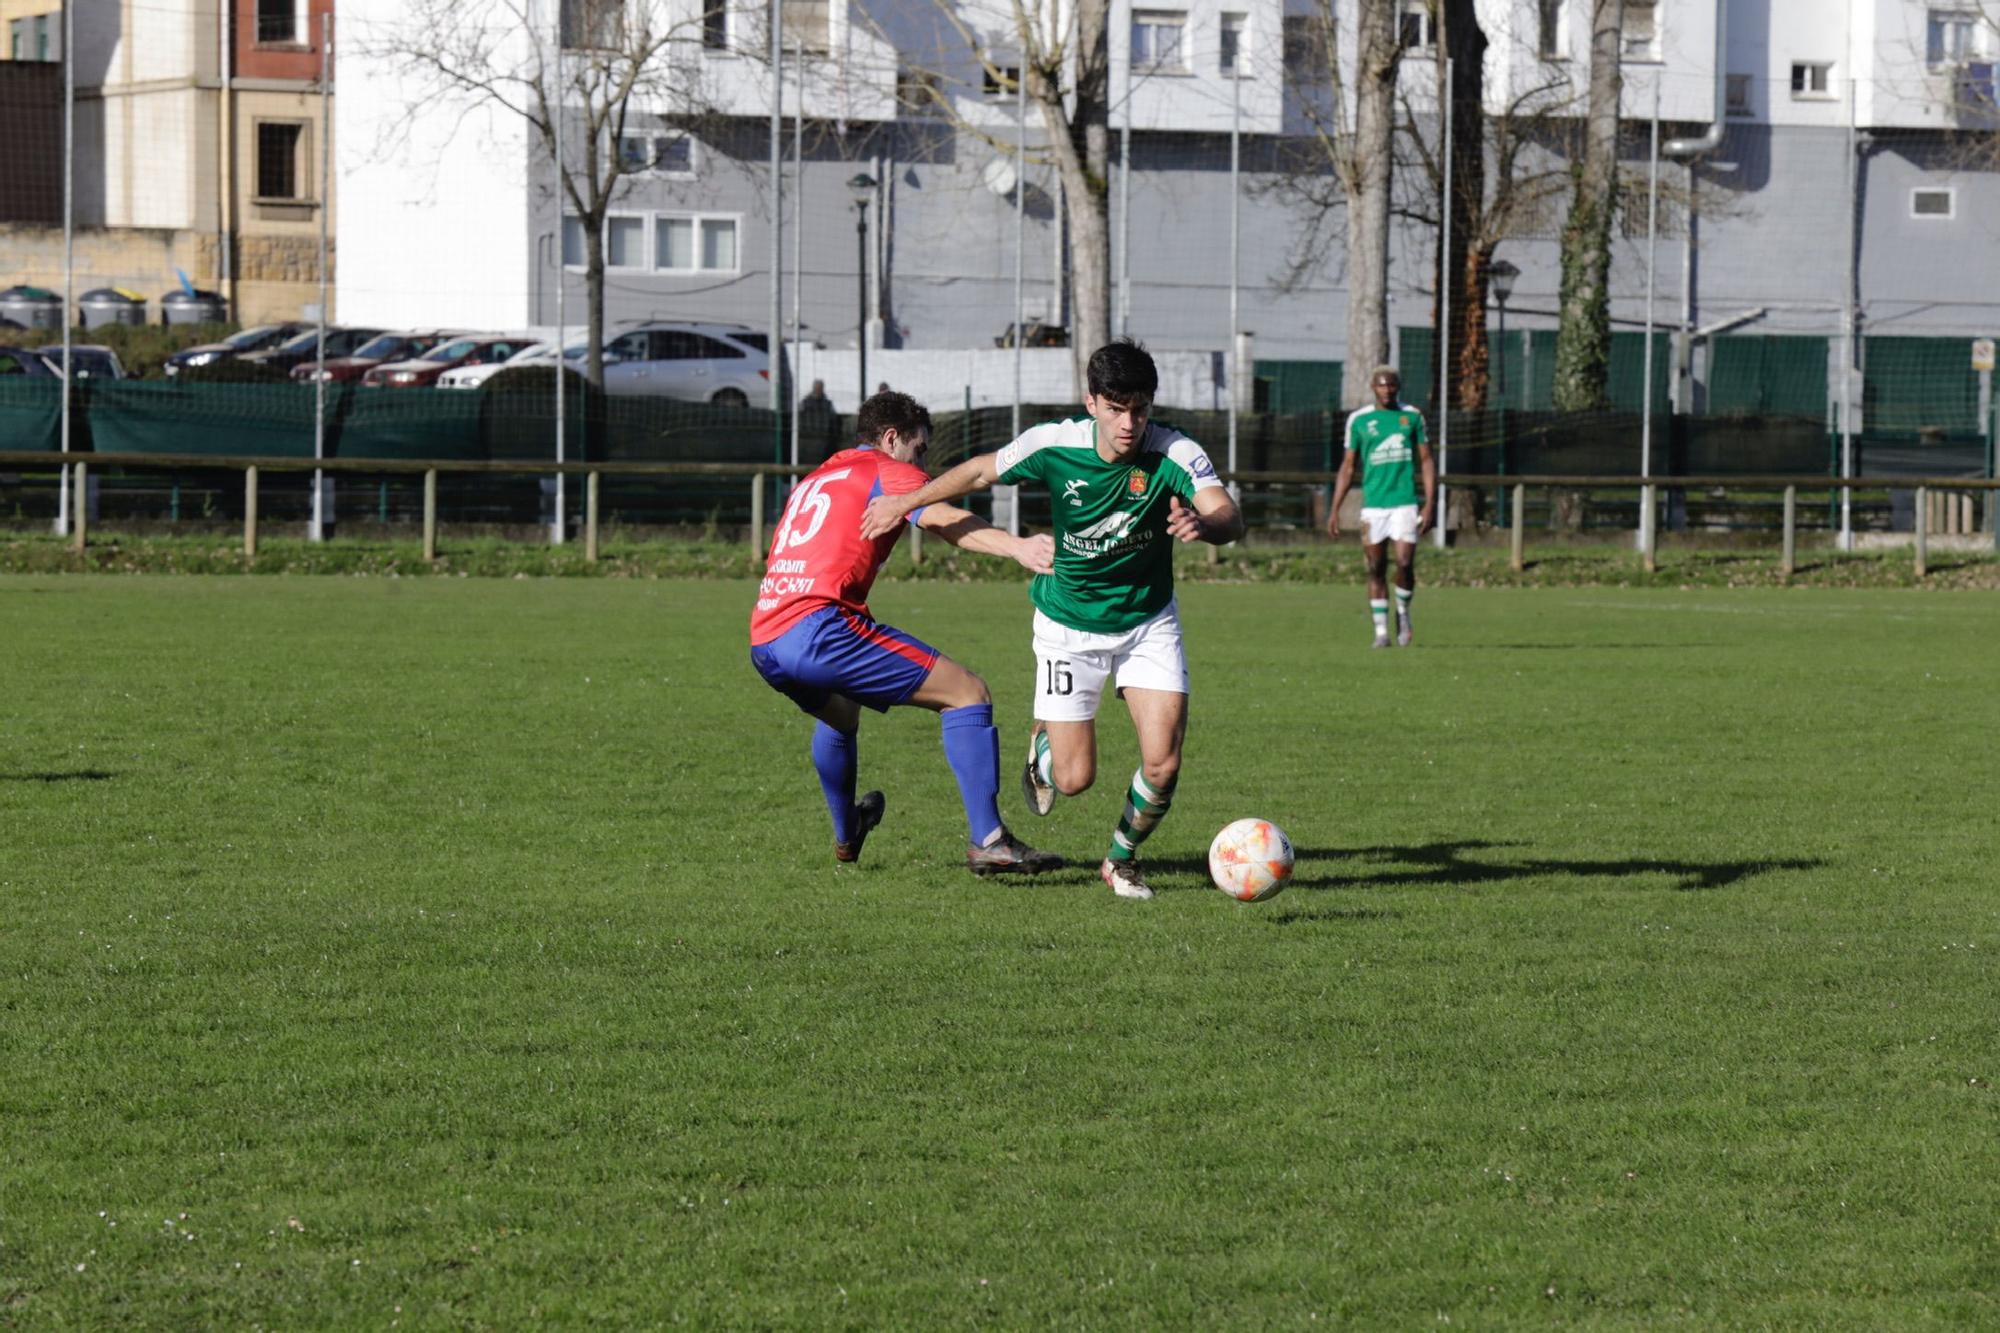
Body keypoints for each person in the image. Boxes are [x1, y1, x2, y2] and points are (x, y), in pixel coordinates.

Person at [861, 340, 1243, 901]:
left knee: (1162, 764)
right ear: (1091, 402)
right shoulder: (1054, 444)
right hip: (1067, 626)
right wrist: (902, 502)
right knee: (1073, 779)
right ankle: (1042, 746)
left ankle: (1120, 861)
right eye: (1115, 408)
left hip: (1147, 621)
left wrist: (1205, 527)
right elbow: (977, 472)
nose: (1129, 423)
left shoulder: (1175, 452)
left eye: (1139, 408)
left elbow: (1226, 510)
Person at [750, 390, 1063, 877]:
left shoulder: (820, 475)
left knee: (840, 714)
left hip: (767, 635)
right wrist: (1017, 547)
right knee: (967, 693)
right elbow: (944, 518)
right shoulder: (883, 467)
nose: (921, 466)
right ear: (892, 438)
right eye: (919, 451)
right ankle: (990, 840)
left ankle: (846, 834)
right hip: (819, 628)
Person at [1329, 367, 1436, 648]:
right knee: (1376, 567)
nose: (1387, 389)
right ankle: (1380, 633)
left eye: (1391, 385)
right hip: (1373, 507)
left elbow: (1426, 460)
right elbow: (1348, 466)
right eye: (1381, 385)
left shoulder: (1412, 416)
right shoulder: (1359, 420)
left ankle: (1403, 612)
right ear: (1373, 387)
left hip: (1405, 504)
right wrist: (1335, 508)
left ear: (1398, 387)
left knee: (1404, 563)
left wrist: (1430, 503)